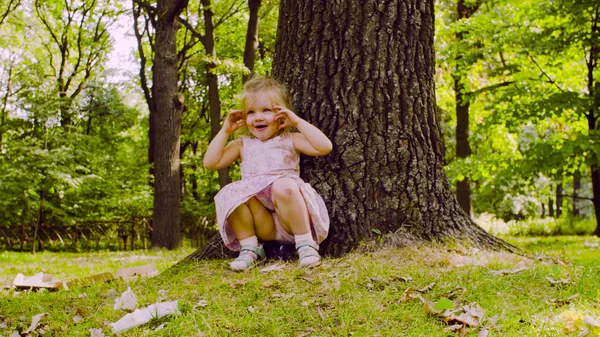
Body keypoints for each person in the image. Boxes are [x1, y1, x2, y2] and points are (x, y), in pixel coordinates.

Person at [203, 77, 332, 271]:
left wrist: (296, 121)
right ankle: (250, 248)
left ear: (281, 114)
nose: (258, 117)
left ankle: (305, 244)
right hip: (263, 225)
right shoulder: (242, 144)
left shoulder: (291, 139)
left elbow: (324, 147)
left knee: (284, 185)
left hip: (290, 220)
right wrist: (225, 131)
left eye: (266, 110)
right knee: (231, 192)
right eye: (251, 112)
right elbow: (210, 163)